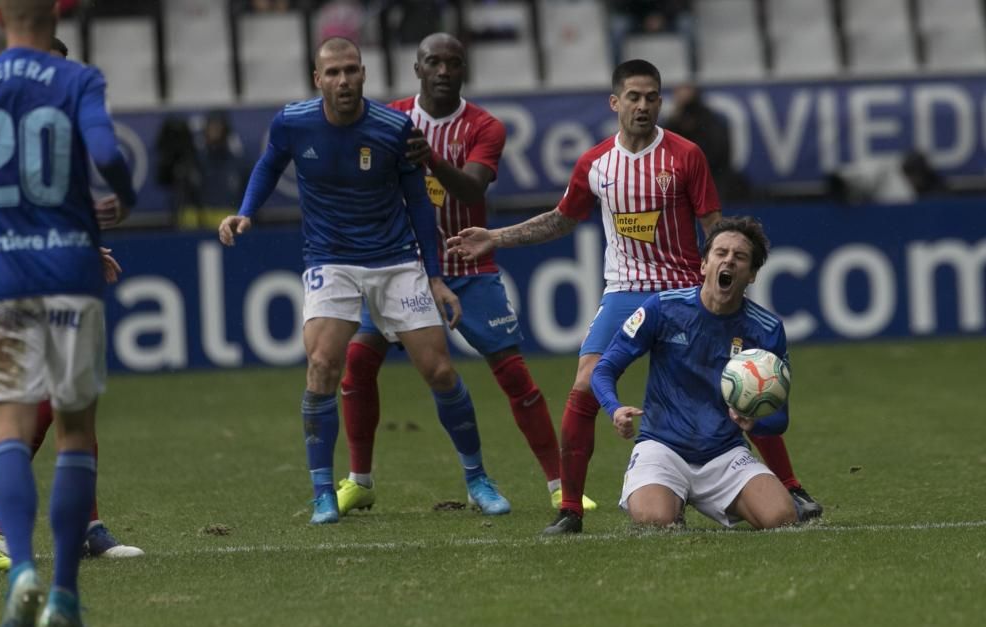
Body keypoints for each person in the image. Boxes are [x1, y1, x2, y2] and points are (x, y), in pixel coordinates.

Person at [448, 59, 821, 535]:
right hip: (626, 289)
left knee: (742, 378)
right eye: (633, 97)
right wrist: (496, 238)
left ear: (660, 102)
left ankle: (788, 484)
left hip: (685, 285)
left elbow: (715, 229)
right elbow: (563, 219)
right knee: (584, 383)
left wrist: (731, 282)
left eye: (651, 97)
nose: (642, 105)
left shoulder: (686, 156)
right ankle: (570, 509)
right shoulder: (597, 164)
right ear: (615, 102)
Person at [218, 37, 510, 525]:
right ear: (318, 79)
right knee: (322, 366)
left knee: (440, 372)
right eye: (333, 73)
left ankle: (478, 478)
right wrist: (246, 212)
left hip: (396, 260)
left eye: (351, 70)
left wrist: (434, 276)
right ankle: (321, 494)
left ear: (364, 74)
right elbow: (270, 164)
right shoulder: (293, 121)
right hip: (330, 260)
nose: (344, 81)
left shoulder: (394, 128)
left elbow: (418, 200)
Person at [336, 33, 593, 515]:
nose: (443, 70)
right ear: (417, 67)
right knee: (357, 365)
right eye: (433, 61)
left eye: (453, 62)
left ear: (463, 70)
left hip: (468, 266)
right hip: (400, 270)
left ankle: (560, 485)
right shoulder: (390, 119)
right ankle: (360, 480)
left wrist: (429, 158)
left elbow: (471, 186)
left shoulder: (484, 126)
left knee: (515, 376)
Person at [0, 0, 136, 627]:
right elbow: (107, 152)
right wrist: (121, 198)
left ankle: (21, 566)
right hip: (70, 272)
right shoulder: (78, 79)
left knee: (9, 429)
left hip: (4, 274)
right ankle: (65, 598)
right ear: (54, 14)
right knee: (74, 428)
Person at [590, 216, 799, 530]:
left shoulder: (767, 330)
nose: (728, 260)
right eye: (720, 253)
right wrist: (614, 407)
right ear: (704, 265)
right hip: (661, 448)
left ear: (752, 275)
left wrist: (756, 421)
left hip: (725, 454)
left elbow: (780, 418)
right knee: (655, 521)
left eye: (739, 257)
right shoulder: (662, 308)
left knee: (782, 519)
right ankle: (669, 497)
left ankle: (697, 497)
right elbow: (604, 368)